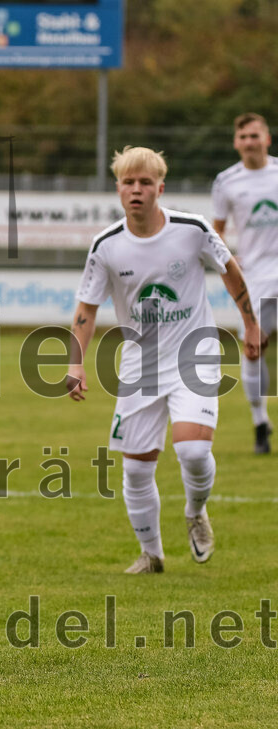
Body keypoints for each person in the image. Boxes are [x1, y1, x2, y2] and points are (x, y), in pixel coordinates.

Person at [67, 146, 261, 574]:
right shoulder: (107, 245)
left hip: (195, 354)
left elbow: (231, 272)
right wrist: (75, 363)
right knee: (136, 471)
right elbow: (86, 308)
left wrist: (250, 325)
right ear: (118, 188)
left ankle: (195, 512)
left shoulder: (192, 229)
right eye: (128, 182)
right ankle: (152, 555)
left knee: (192, 450)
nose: (136, 190)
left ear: (160, 188)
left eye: (144, 183)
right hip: (140, 368)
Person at [211, 112, 278, 454]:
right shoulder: (227, 181)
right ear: (236, 143)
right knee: (255, 349)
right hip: (255, 276)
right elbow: (217, 231)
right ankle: (260, 423)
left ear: (267, 138)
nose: (250, 142)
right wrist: (230, 261)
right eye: (243, 137)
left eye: (255, 136)